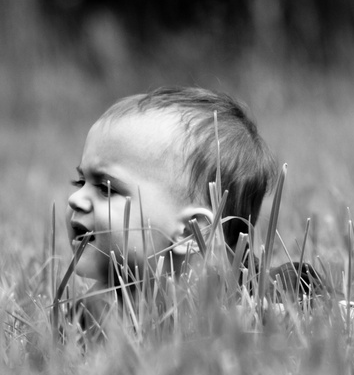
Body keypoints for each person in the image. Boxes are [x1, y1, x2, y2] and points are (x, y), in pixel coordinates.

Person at [63, 86, 323, 334]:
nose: (76, 198)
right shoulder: (86, 318)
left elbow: (349, 320)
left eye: (107, 188)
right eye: (80, 182)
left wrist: (280, 319)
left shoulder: (285, 289)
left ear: (191, 232)